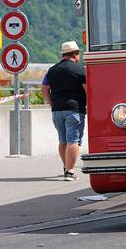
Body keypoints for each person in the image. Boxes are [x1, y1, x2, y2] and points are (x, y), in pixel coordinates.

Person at [42, 41, 87, 181]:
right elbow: (88, 89)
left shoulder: (52, 70)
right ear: (75, 54)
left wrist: (52, 104)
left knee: (62, 141)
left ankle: (66, 167)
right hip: (74, 109)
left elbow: (44, 89)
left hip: (57, 110)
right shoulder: (80, 69)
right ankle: (70, 172)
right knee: (73, 140)